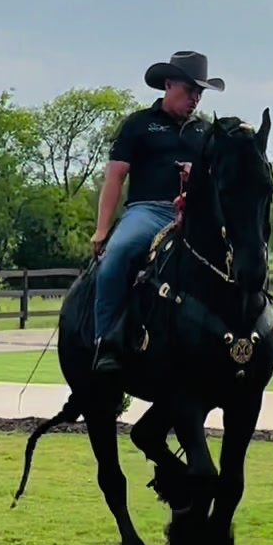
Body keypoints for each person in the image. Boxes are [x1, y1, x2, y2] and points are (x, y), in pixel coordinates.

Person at [91, 49, 225, 371]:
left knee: (236, 259)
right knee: (118, 254)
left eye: (200, 93)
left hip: (196, 216)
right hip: (147, 212)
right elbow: (115, 178)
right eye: (189, 90)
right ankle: (106, 341)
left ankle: (233, 341)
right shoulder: (138, 125)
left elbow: (220, 181)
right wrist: (102, 229)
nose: (195, 99)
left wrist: (199, 177)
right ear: (168, 84)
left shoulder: (206, 132)